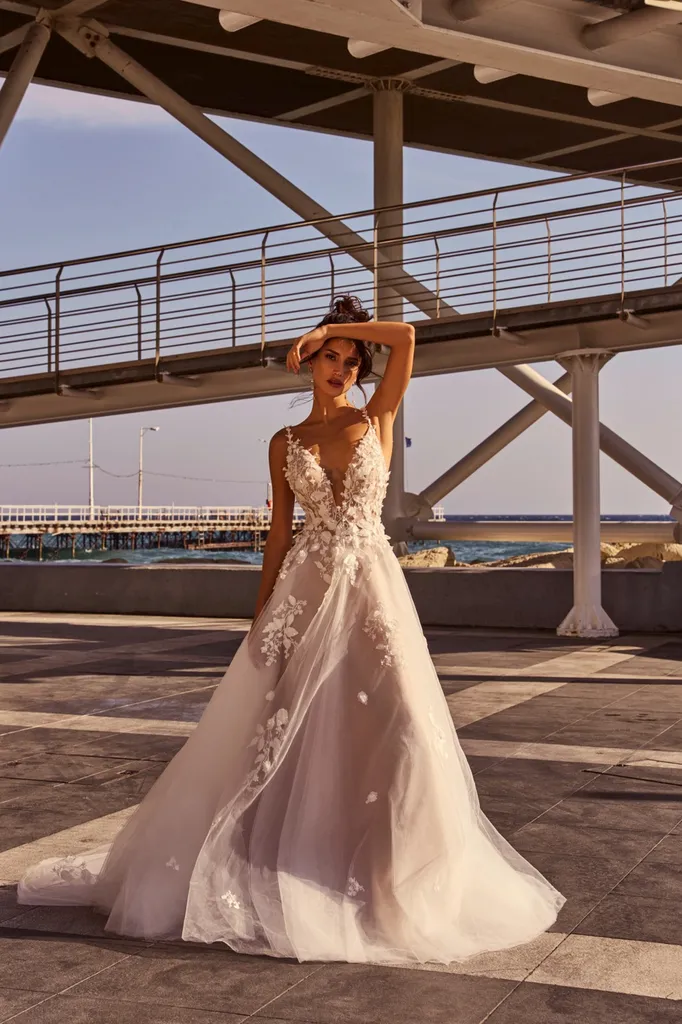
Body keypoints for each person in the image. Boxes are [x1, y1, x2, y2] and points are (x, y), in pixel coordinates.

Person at [17, 295, 564, 964]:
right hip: (303, 594)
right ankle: (299, 862)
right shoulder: (285, 443)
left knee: (400, 725)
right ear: (308, 365)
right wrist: (260, 618)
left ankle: (396, 880)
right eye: (329, 358)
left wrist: (330, 327)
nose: (337, 368)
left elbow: (407, 335)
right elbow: (279, 534)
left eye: (348, 361)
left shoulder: (378, 417)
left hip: (370, 592)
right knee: (292, 734)